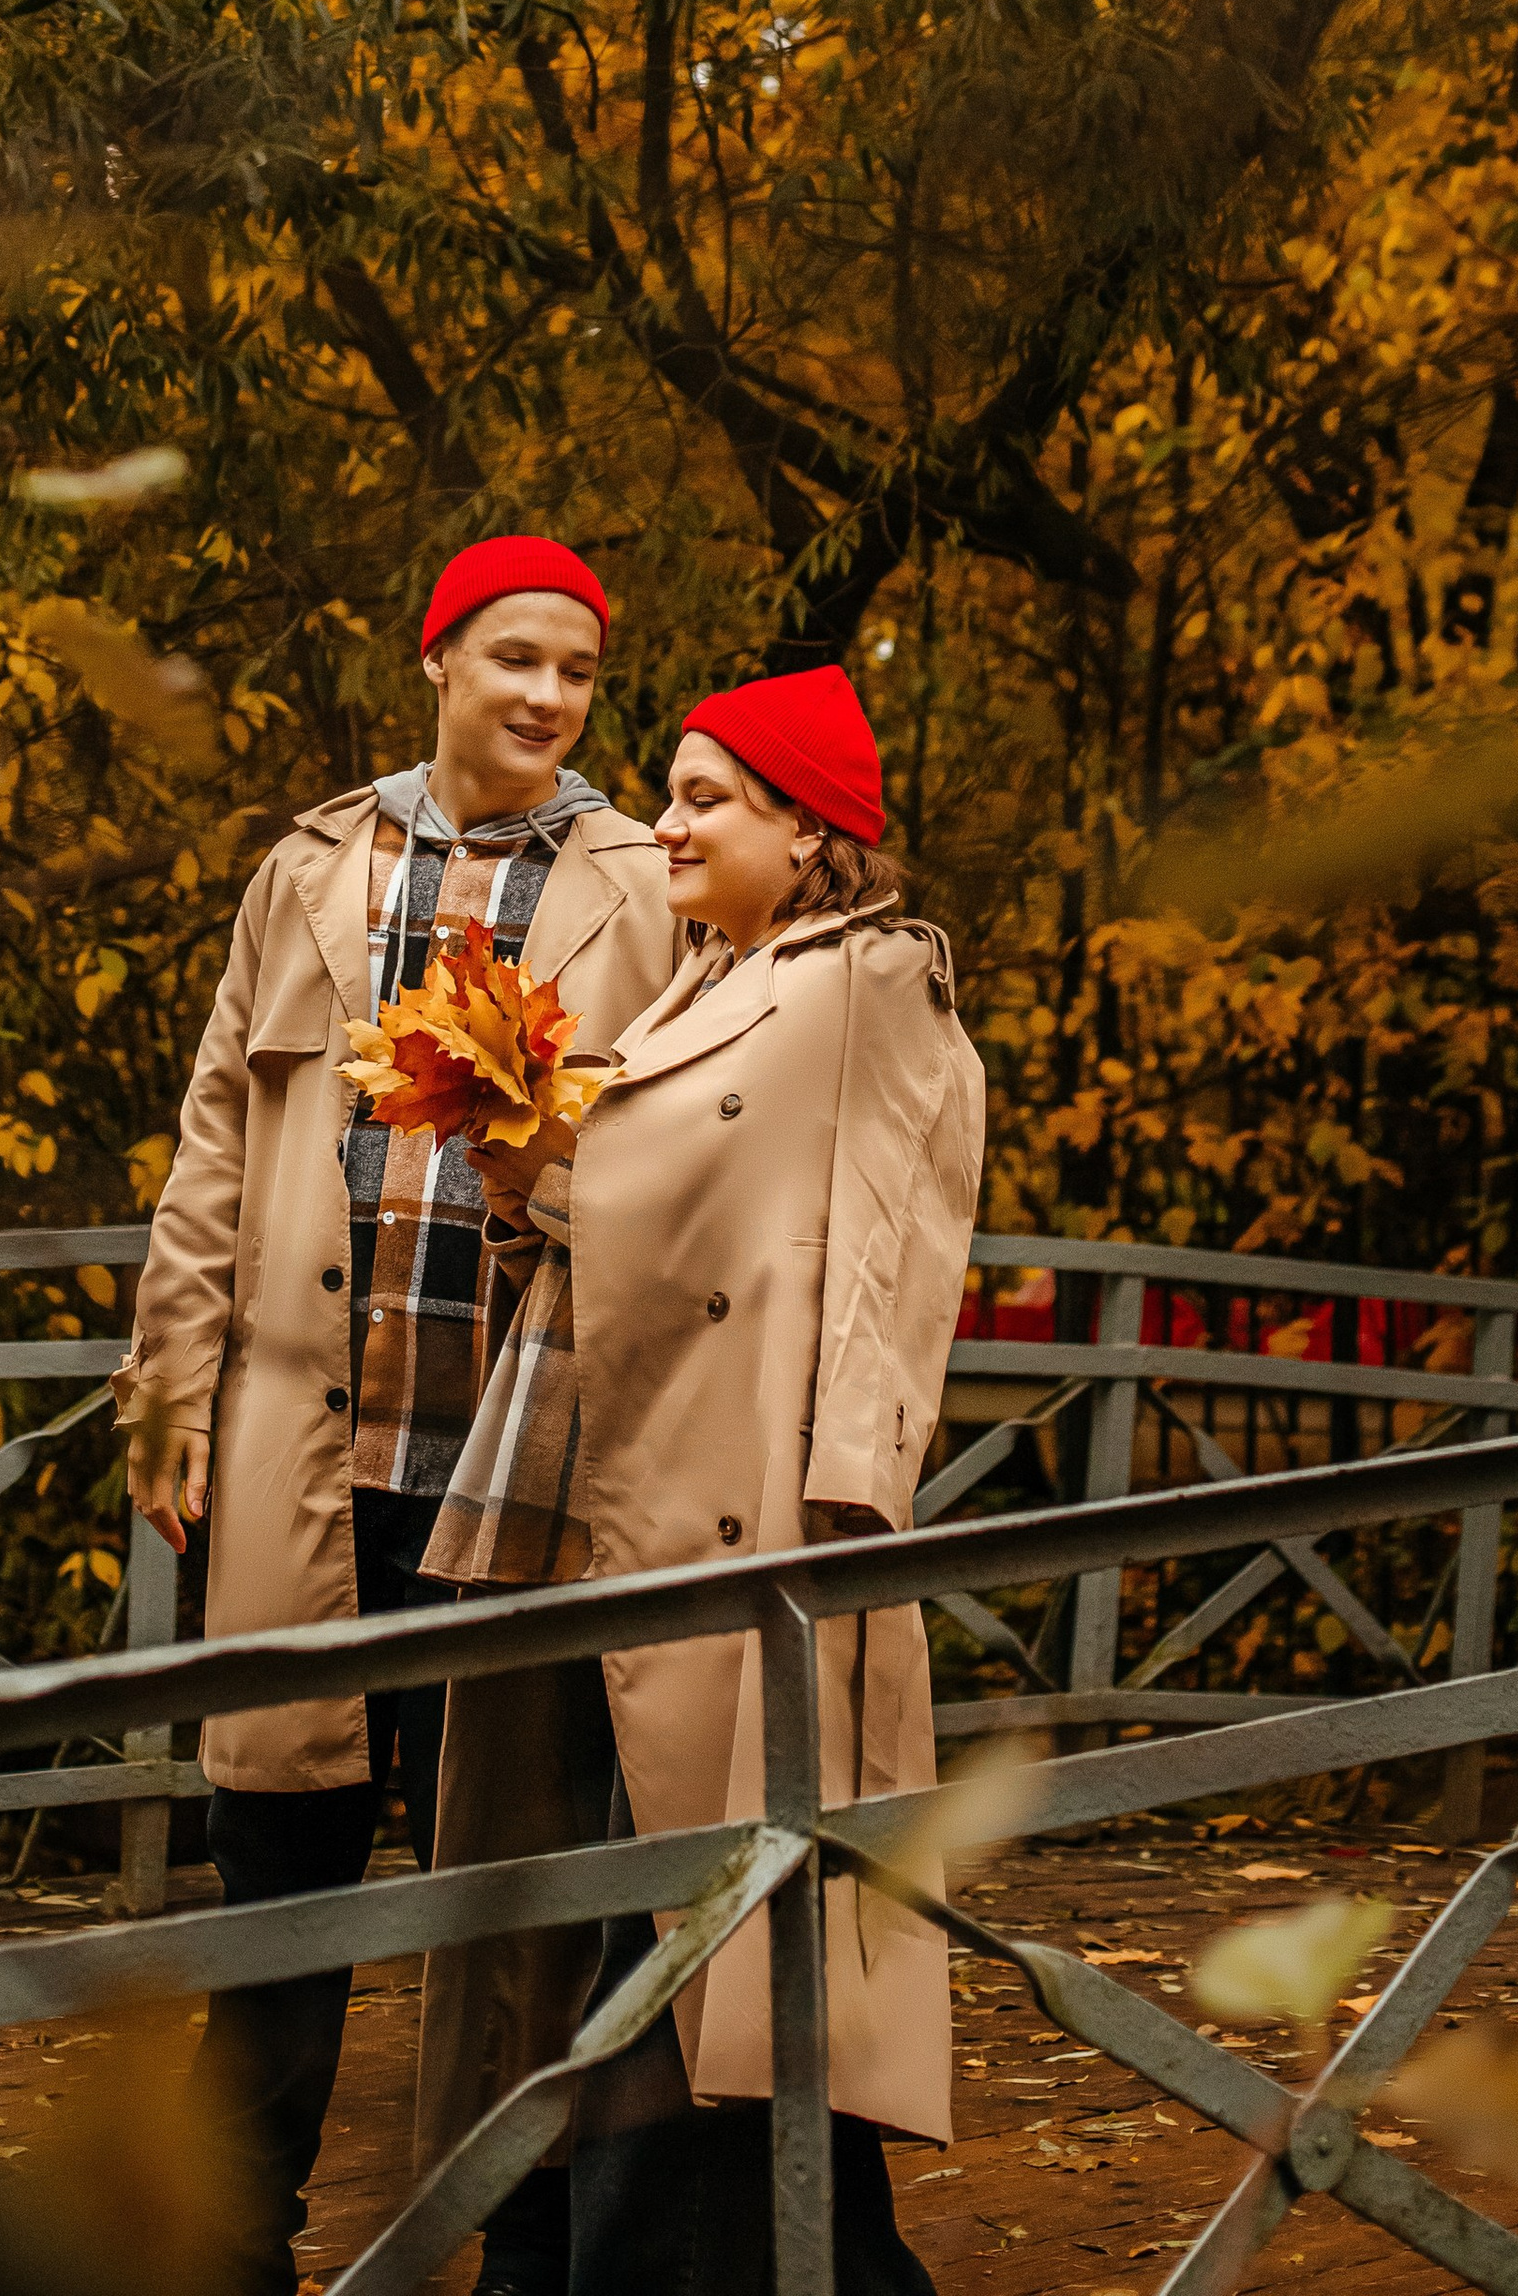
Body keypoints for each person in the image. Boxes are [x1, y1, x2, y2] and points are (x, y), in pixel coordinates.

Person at [112, 534, 676, 2296]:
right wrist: (169, 1387)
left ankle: (520, 2260)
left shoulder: (638, 881)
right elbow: (219, 1140)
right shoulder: (309, 871)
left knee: (512, 1910)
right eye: (514, 658)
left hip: (519, 1475)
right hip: (311, 1464)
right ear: (436, 660)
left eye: (577, 673)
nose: (547, 698)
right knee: (277, 1884)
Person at [416, 660, 986, 2296]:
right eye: (670, 791)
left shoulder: (874, 980)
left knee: (697, 1979)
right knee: (689, 1977)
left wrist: (854, 1503)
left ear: (809, 829)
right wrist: (531, 1176)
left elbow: (900, 1245)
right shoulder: (700, 984)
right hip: (614, 1521)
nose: (661, 822)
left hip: (748, 1542)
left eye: (704, 797)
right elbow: (655, 1228)